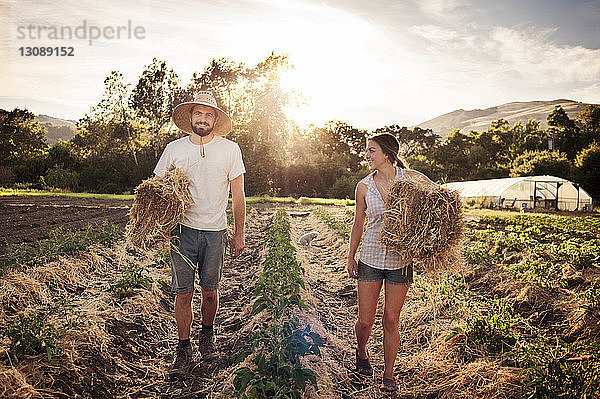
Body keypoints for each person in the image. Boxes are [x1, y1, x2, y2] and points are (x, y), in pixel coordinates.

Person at [153, 91, 246, 380]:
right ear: (190, 117)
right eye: (198, 114)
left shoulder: (230, 150)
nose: (202, 119)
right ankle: (183, 347)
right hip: (182, 231)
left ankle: (207, 336)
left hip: (215, 230)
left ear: (215, 119)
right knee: (183, 293)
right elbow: (156, 188)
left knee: (209, 290)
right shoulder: (174, 149)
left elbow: (238, 195)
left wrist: (239, 232)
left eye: (208, 115)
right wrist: (156, 223)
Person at [346, 133, 433, 392]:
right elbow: (358, 224)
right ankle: (362, 352)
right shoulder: (364, 186)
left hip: (400, 260)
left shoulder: (412, 179)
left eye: (371, 150)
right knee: (365, 321)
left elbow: (438, 198)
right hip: (370, 258)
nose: (367, 155)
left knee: (391, 320)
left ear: (387, 154)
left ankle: (389, 373)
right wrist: (351, 255)